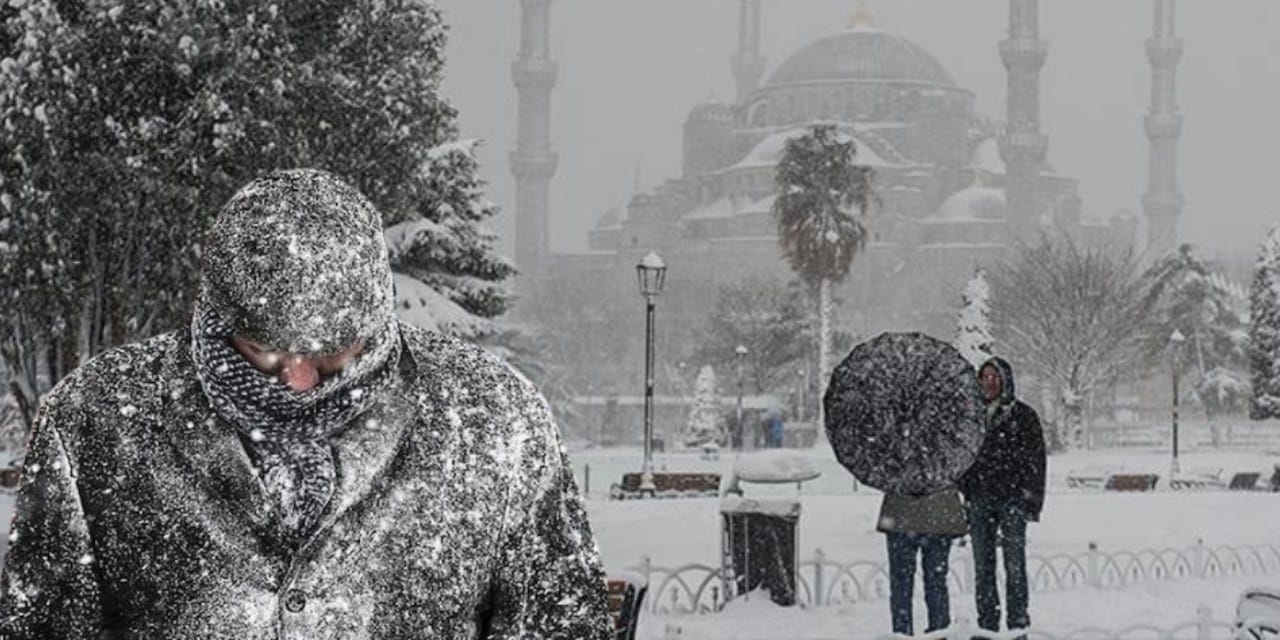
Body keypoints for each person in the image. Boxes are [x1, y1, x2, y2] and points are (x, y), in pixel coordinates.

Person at [0, 169, 613, 638]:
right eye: (263, 350)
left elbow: (560, 622)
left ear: (376, 322)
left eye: (332, 354)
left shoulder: (493, 421)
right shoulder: (95, 421)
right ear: (217, 319)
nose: (297, 381)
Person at [959, 356, 1047, 635]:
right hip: (980, 499)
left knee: (1014, 565)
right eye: (984, 377)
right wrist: (967, 488)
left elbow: (1036, 461)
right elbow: (961, 457)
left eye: (995, 377)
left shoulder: (1023, 415)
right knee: (983, 567)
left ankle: (1017, 623)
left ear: (1006, 381)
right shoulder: (970, 417)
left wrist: (1030, 501)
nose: (989, 383)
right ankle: (987, 624)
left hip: (1013, 499)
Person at [876, 485, 967, 635]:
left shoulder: (897, 467)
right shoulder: (944, 467)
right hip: (939, 512)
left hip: (901, 513)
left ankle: (902, 632)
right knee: (936, 581)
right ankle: (938, 632)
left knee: (901, 582)